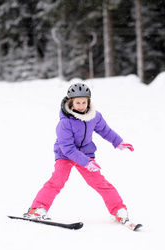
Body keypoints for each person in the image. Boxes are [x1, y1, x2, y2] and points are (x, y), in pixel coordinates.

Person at [24, 83, 134, 224]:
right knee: (57, 180)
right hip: (65, 155)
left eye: (84, 102)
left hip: (86, 154)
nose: (81, 105)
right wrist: (86, 162)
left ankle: (118, 210)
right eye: (77, 102)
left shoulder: (94, 116)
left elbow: (105, 130)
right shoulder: (64, 123)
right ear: (70, 102)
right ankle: (37, 208)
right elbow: (68, 148)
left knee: (100, 183)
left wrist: (118, 142)